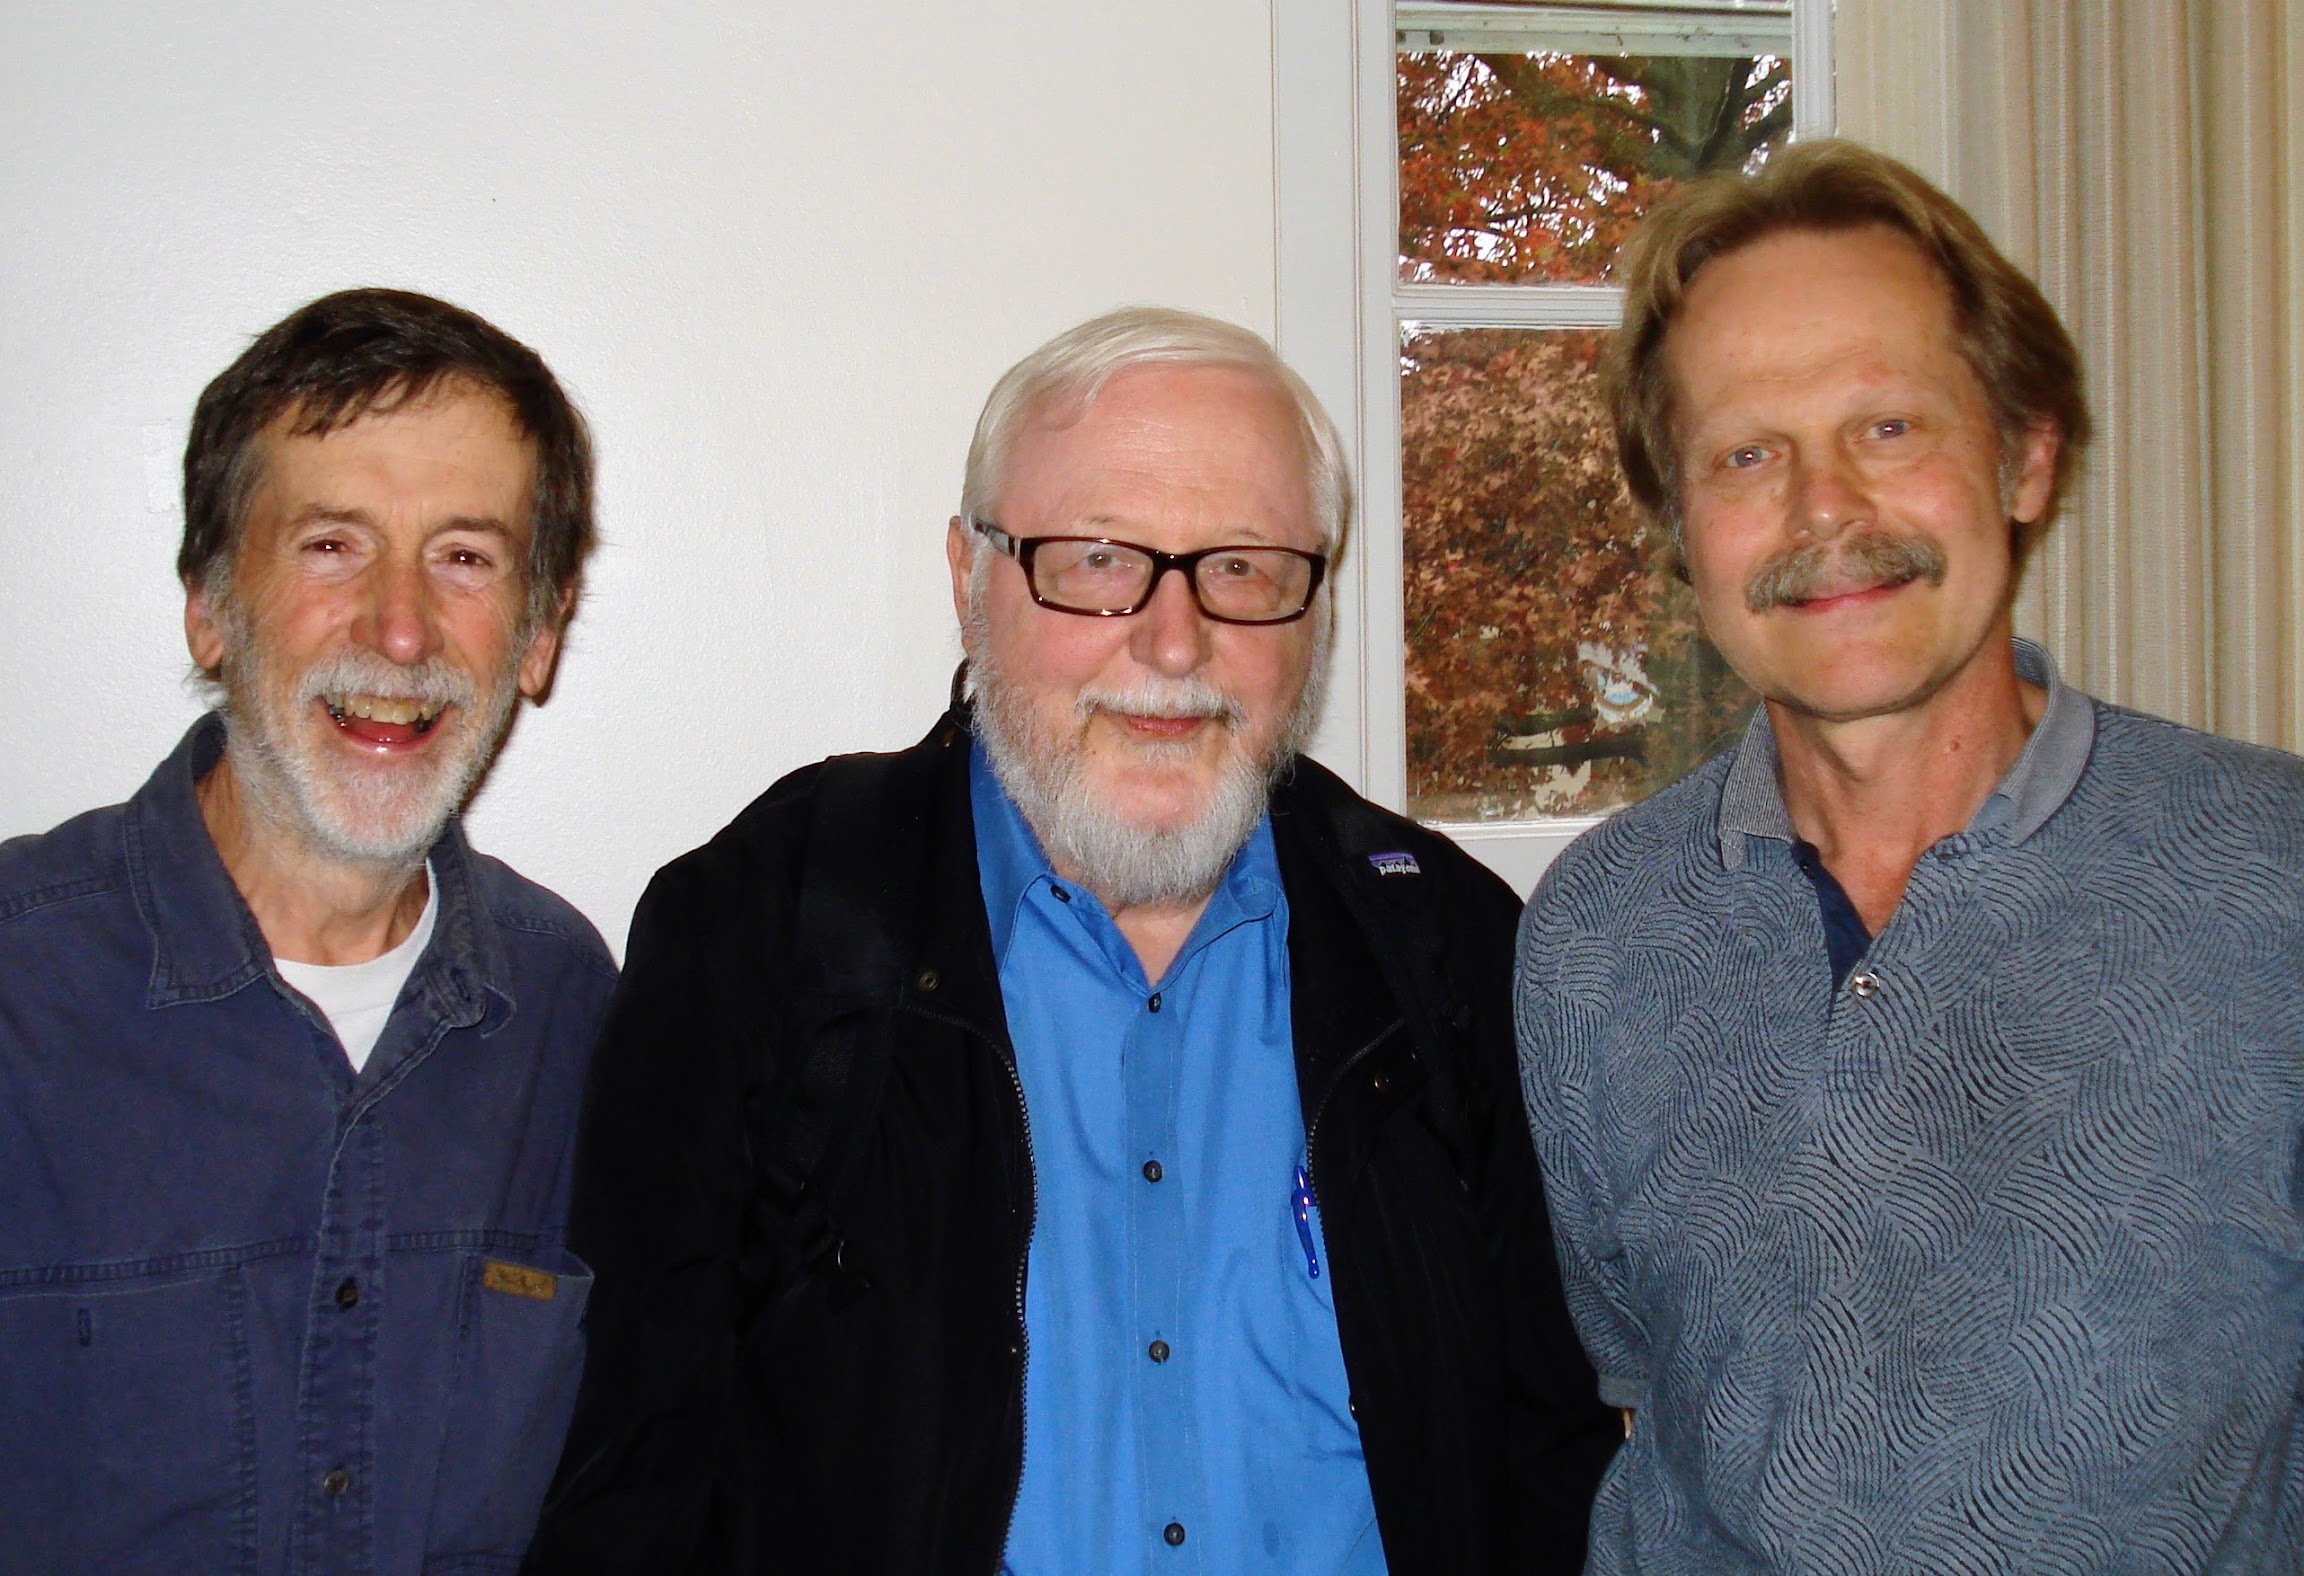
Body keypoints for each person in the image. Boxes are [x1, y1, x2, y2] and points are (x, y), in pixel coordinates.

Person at [529, 307, 1616, 1575]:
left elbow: (1552, 1467)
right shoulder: (770, 924)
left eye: (1245, 567)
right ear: (966, 577)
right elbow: (630, 1479)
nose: (1173, 640)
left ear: (1315, 603)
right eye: (1097, 560)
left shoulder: (1450, 947)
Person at [1516, 138, 2304, 1570]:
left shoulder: (2278, 887)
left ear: (2025, 456)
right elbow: (1637, 1404)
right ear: (1683, 535)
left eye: (1887, 427)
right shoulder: (1595, 935)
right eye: (1747, 454)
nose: (1825, 512)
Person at [0, 288, 617, 1574]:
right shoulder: (18, 991)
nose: (400, 629)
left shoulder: (571, 1009)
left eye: (465, 556)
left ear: (541, 632)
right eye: (331, 545)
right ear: (211, 605)